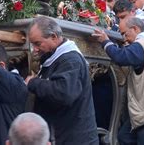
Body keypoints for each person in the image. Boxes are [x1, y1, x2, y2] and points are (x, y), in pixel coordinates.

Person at [26, 16, 98, 144]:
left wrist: (33, 82)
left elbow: (63, 93)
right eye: (32, 44)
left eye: (37, 43)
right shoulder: (56, 57)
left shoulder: (71, 60)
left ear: (54, 37)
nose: (35, 49)